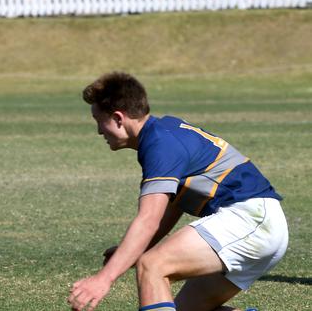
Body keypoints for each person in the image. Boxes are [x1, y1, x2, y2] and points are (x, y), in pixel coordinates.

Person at [67, 72, 288, 311]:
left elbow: (148, 220)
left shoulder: (160, 145)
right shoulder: (163, 133)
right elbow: (171, 209)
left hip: (249, 221)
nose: (99, 131)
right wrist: (127, 252)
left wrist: (104, 279)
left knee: (152, 265)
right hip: (261, 225)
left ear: (119, 118)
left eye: (99, 120)